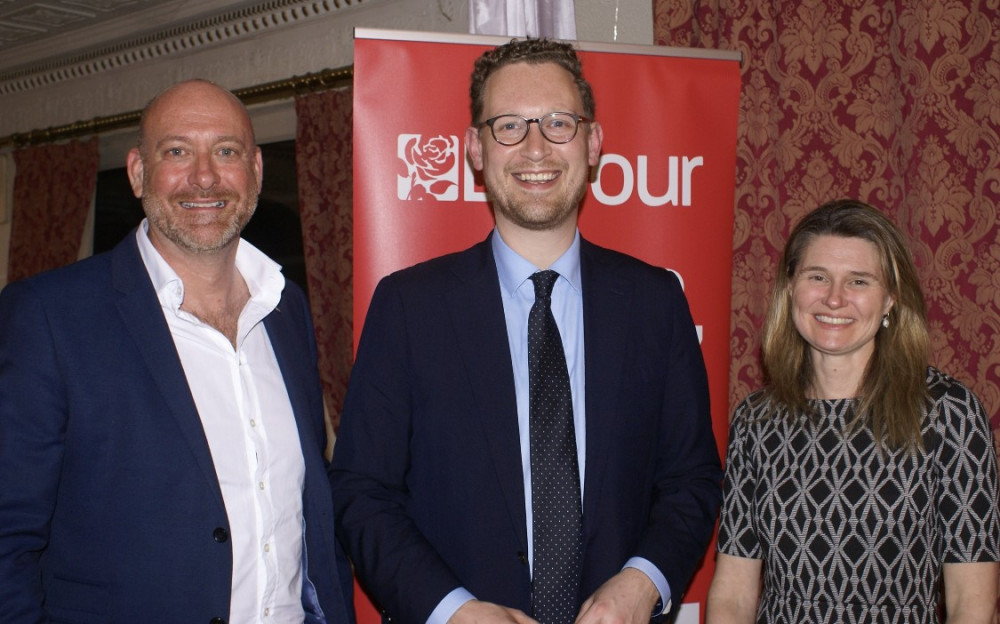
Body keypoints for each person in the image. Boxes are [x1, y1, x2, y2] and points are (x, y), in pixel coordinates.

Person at [331, 38, 722, 624]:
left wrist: (644, 583)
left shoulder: (656, 302)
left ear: (593, 143)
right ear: (476, 149)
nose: (535, 148)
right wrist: (453, 612)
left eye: (559, 123)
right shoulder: (409, 307)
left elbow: (691, 480)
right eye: (509, 125)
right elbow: (363, 494)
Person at [0, 79, 355, 623]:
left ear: (256, 170)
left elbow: (306, 509)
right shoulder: (50, 317)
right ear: (139, 171)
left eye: (226, 151)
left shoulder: (287, 311)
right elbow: (8, 539)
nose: (205, 176)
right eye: (177, 151)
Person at [706, 199, 1000, 623]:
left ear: (890, 300)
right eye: (818, 277)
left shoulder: (948, 413)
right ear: (790, 288)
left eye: (859, 281)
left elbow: (971, 603)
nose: (835, 299)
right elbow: (733, 594)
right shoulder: (757, 420)